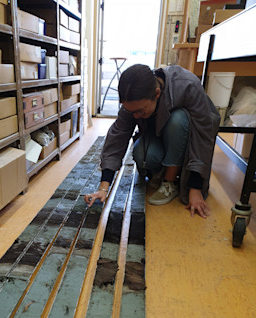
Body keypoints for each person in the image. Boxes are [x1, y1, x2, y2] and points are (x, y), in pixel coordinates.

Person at [84, 64, 220, 218]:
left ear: (156, 94)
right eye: (131, 111)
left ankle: (170, 182)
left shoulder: (187, 85)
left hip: (185, 142)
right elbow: (117, 137)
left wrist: (195, 188)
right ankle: (162, 174)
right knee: (142, 155)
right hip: (158, 138)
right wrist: (103, 187)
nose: (135, 116)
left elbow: (203, 137)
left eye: (140, 111)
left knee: (177, 119)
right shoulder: (135, 100)